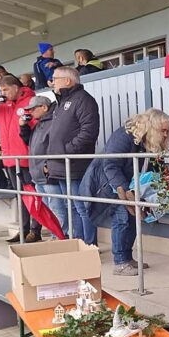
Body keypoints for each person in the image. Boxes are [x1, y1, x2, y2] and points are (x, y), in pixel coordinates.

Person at [80, 108, 169, 274]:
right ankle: (120, 262)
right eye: (162, 130)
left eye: (168, 131)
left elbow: (156, 167)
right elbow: (110, 164)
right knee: (122, 219)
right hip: (111, 184)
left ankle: (127, 258)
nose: (165, 135)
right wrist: (125, 191)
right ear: (151, 126)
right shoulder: (124, 135)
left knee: (132, 220)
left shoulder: (151, 141)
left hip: (130, 186)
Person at [45, 66, 100, 244]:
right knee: (71, 207)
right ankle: (78, 242)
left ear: (68, 81)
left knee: (82, 207)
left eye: (55, 79)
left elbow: (89, 131)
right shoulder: (60, 103)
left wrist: (67, 151)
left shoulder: (83, 100)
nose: (52, 82)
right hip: (60, 164)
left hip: (74, 164)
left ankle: (89, 245)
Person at [0, 74, 38, 243]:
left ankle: (35, 230)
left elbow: (36, 128)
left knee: (33, 195)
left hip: (27, 158)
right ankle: (24, 229)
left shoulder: (30, 101)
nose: (3, 93)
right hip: (10, 158)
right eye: (1, 90)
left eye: (5, 89)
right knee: (20, 196)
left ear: (16, 87)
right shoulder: (2, 105)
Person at [19, 95, 58, 242]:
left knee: (57, 208)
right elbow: (30, 143)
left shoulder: (53, 122)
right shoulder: (39, 124)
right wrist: (23, 126)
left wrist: (48, 166)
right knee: (48, 209)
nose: (30, 112)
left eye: (33, 109)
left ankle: (61, 238)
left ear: (44, 107)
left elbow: (55, 146)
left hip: (47, 173)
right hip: (38, 173)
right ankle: (56, 236)